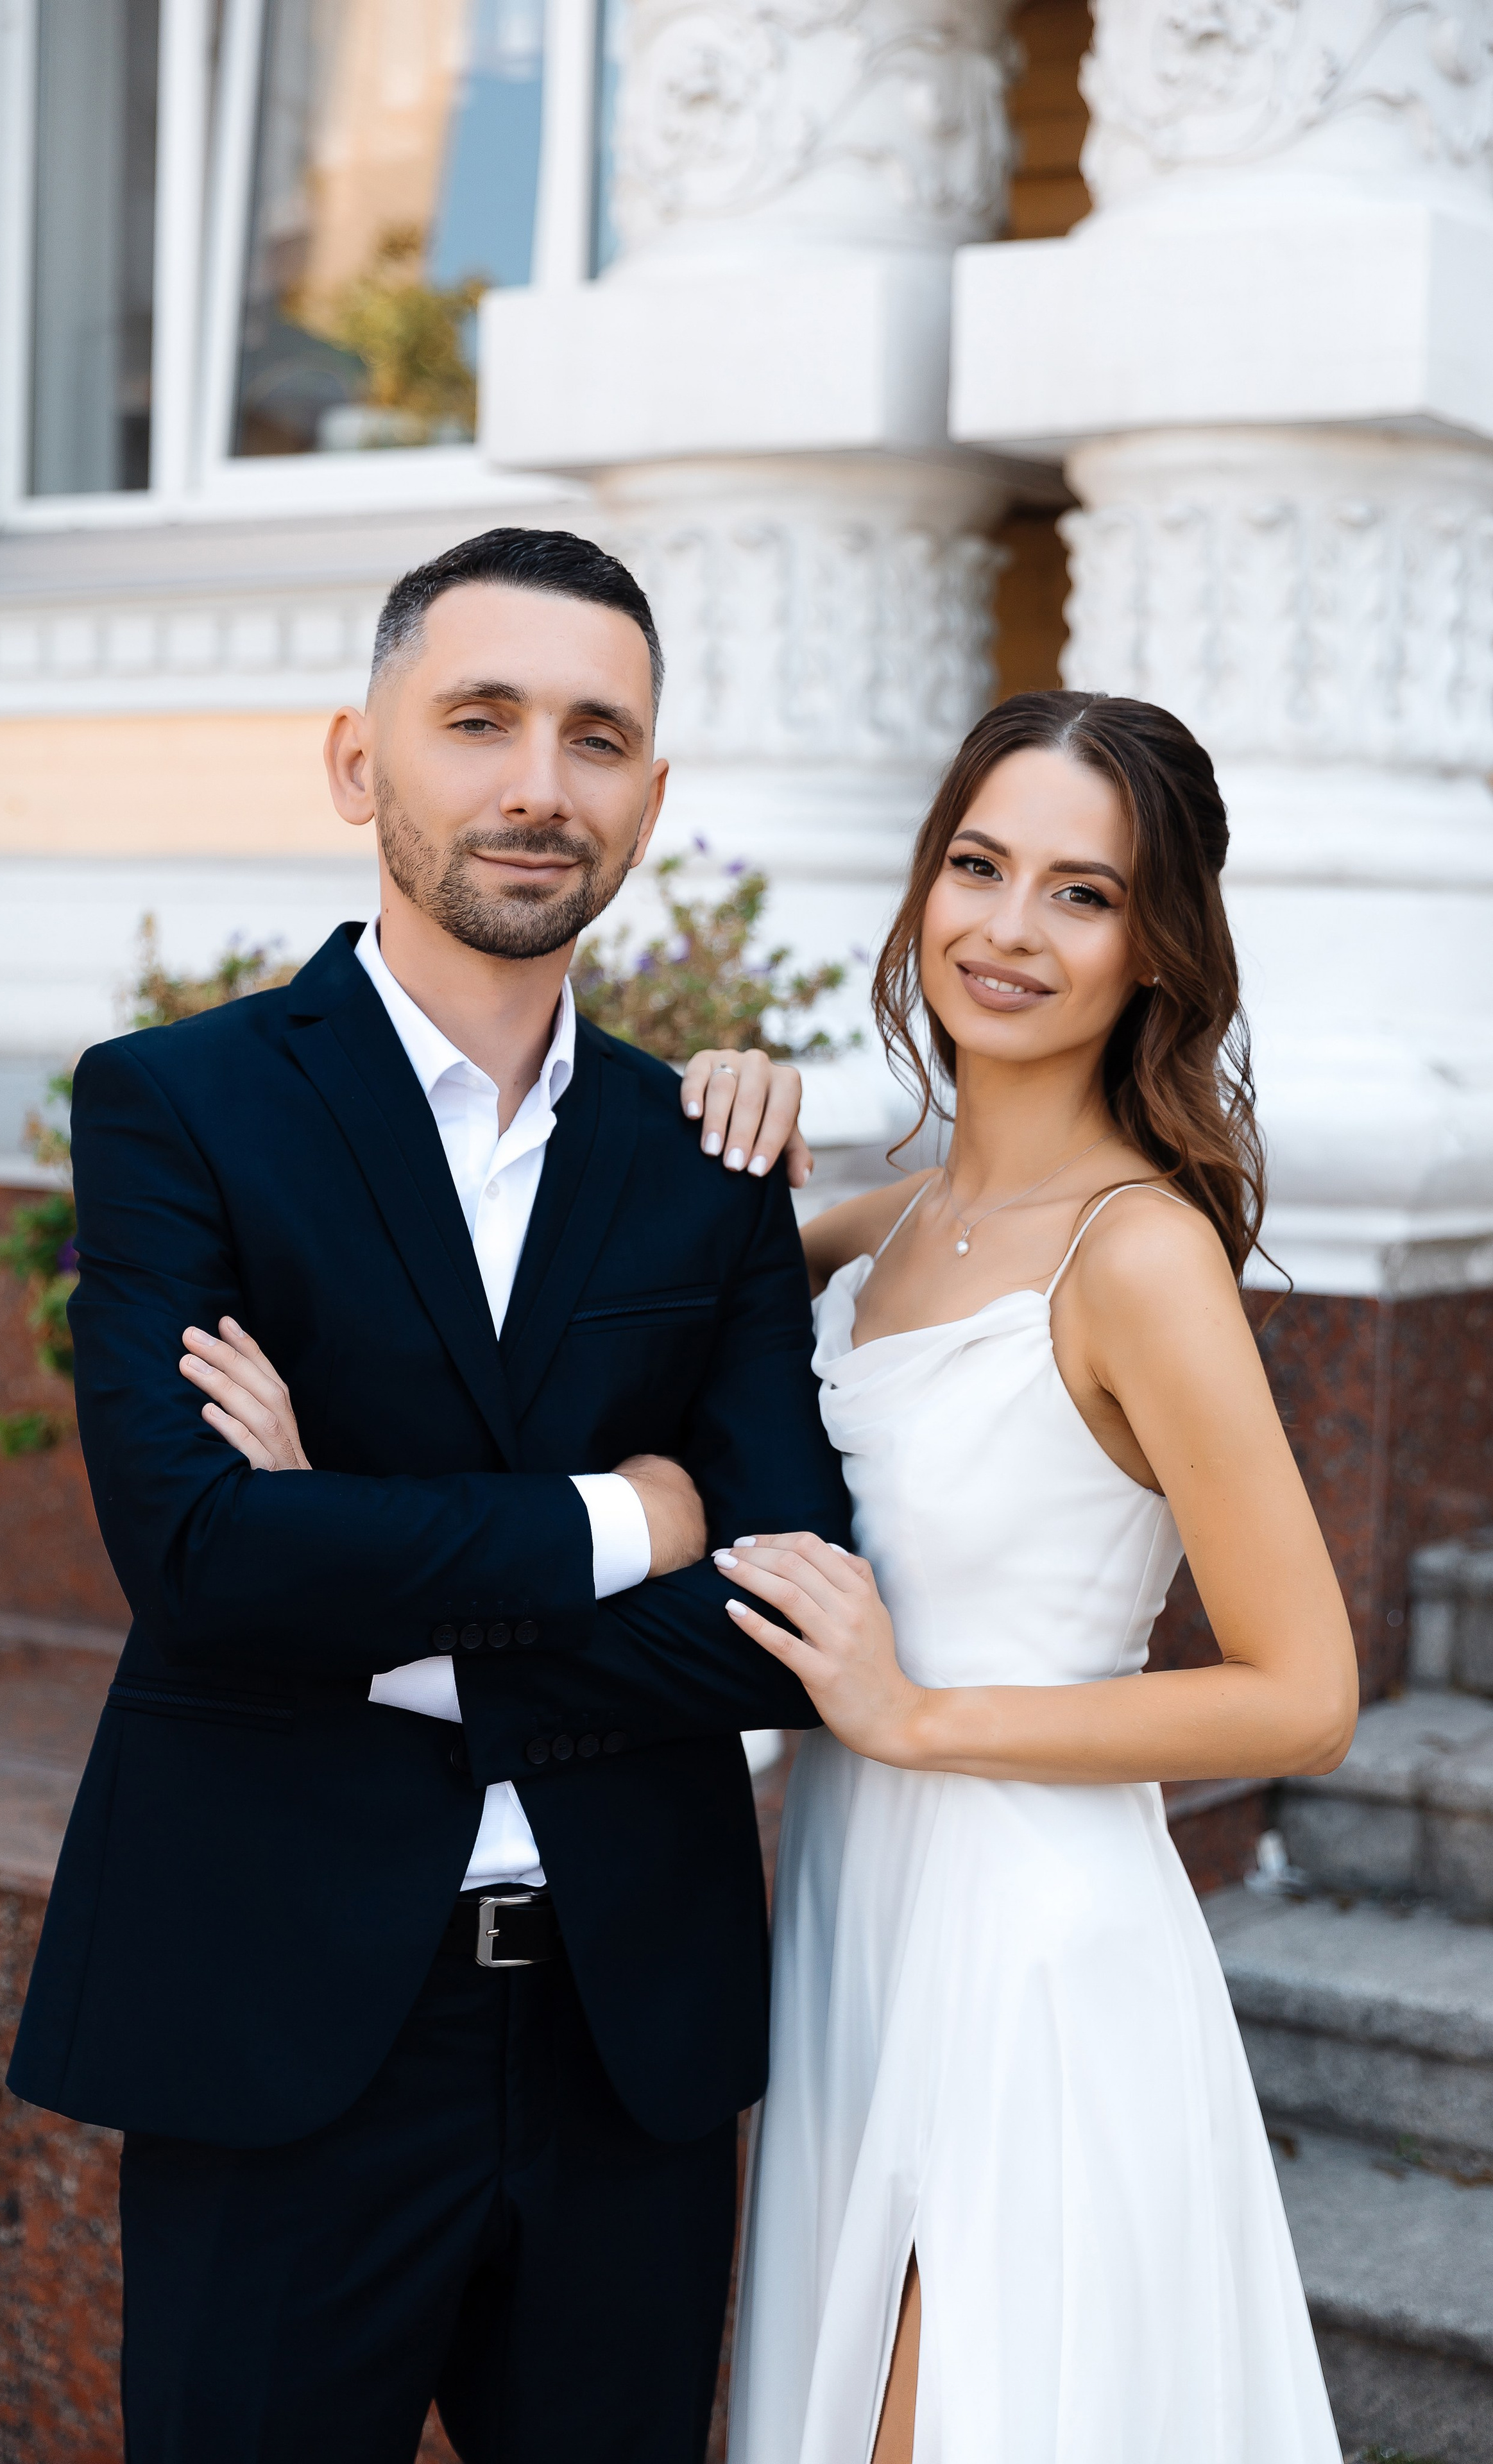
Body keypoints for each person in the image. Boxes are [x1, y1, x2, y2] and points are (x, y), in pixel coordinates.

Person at [6, 527, 850, 2464]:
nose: (540, 783)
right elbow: (203, 1558)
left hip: (625, 2043)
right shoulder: (178, 1105)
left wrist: (367, 1593)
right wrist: (632, 1520)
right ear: (355, 760)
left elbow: (790, 1617)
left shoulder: (709, 1156)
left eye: (595, 737)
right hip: (277, 2021)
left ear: (650, 796)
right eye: (480, 720)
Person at [701, 692, 1358, 2462]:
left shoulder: (1139, 1257)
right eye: (979, 867)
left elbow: (1305, 1695)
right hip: (849, 1915)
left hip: (1030, 1951)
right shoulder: (877, 1229)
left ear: (1156, 949)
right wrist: (726, 1105)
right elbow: (627, 1386)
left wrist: (916, 1715)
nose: (1008, 928)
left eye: (1083, 893)